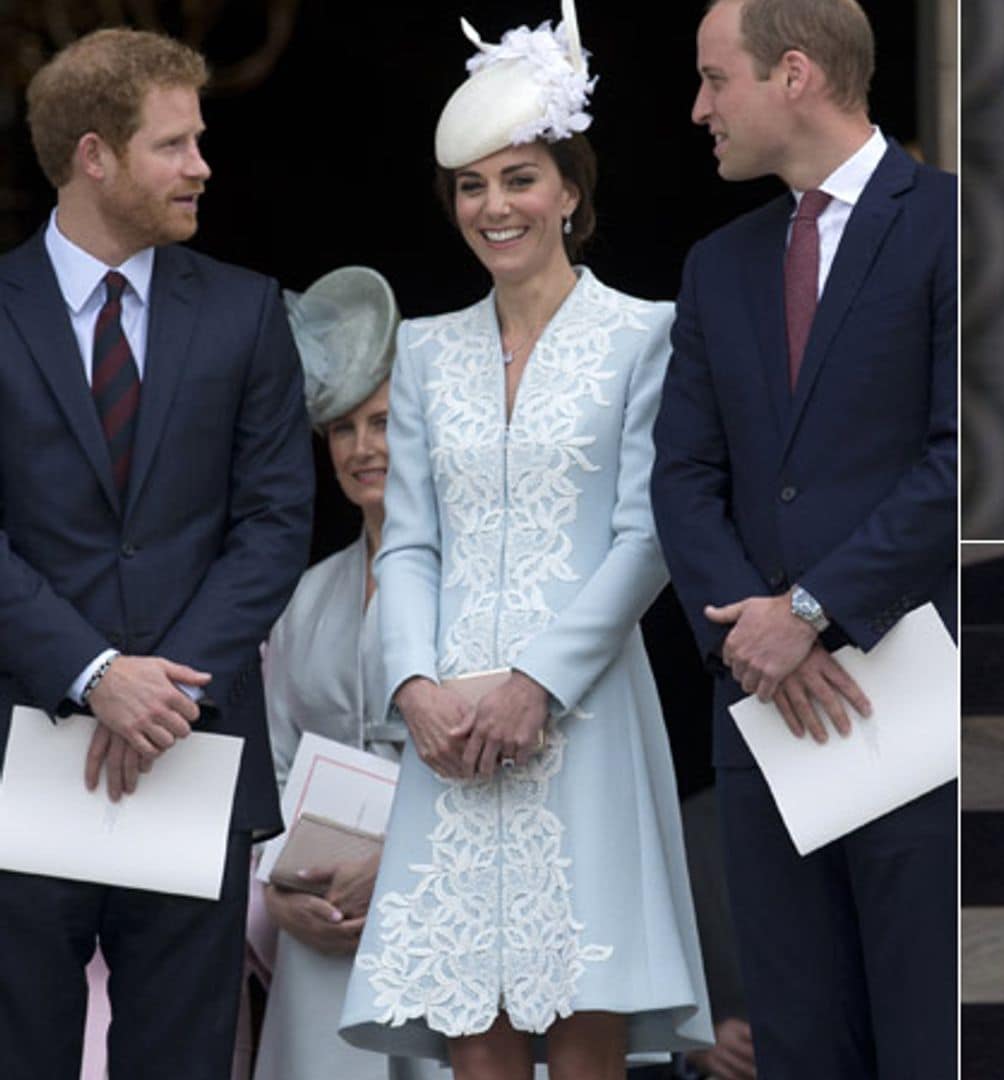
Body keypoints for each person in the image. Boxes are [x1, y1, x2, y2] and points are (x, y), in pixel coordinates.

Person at [336, 4, 713, 1075]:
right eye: (471, 185)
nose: (494, 206)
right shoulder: (423, 351)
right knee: (474, 1024)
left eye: (518, 178)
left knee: (582, 1009)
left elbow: (648, 536)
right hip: (448, 724)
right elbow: (407, 544)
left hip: (579, 713)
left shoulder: (647, 331)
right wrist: (413, 684)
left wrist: (536, 683)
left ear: (571, 192)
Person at [0, 26, 313, 1079]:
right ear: (95, 156)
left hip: (196, 747)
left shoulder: (246, 311)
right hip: (21, 744)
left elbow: (275, 522)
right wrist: (94, 676)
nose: (203, 166)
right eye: (175, 145)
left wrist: (163, 689)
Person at [652, 0, 957, 1075]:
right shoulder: (717, 264)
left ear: (793, 75)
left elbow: (965, 457)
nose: (698, 110)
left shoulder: (956, 221)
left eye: (712, 80)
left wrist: (815, 612)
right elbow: (683, 475)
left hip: (914, 699)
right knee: (801, 1045)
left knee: (929, 1035)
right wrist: (753, 635)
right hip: (762, 711)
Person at [252, 266, 429, 1080]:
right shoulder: (303, 595)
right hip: (325, 929)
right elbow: (274, 763)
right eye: (343, 429)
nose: (364, 448)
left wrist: (400, 864)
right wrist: (280, 895)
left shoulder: (479, 580)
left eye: (386, 422)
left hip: (448, 903)